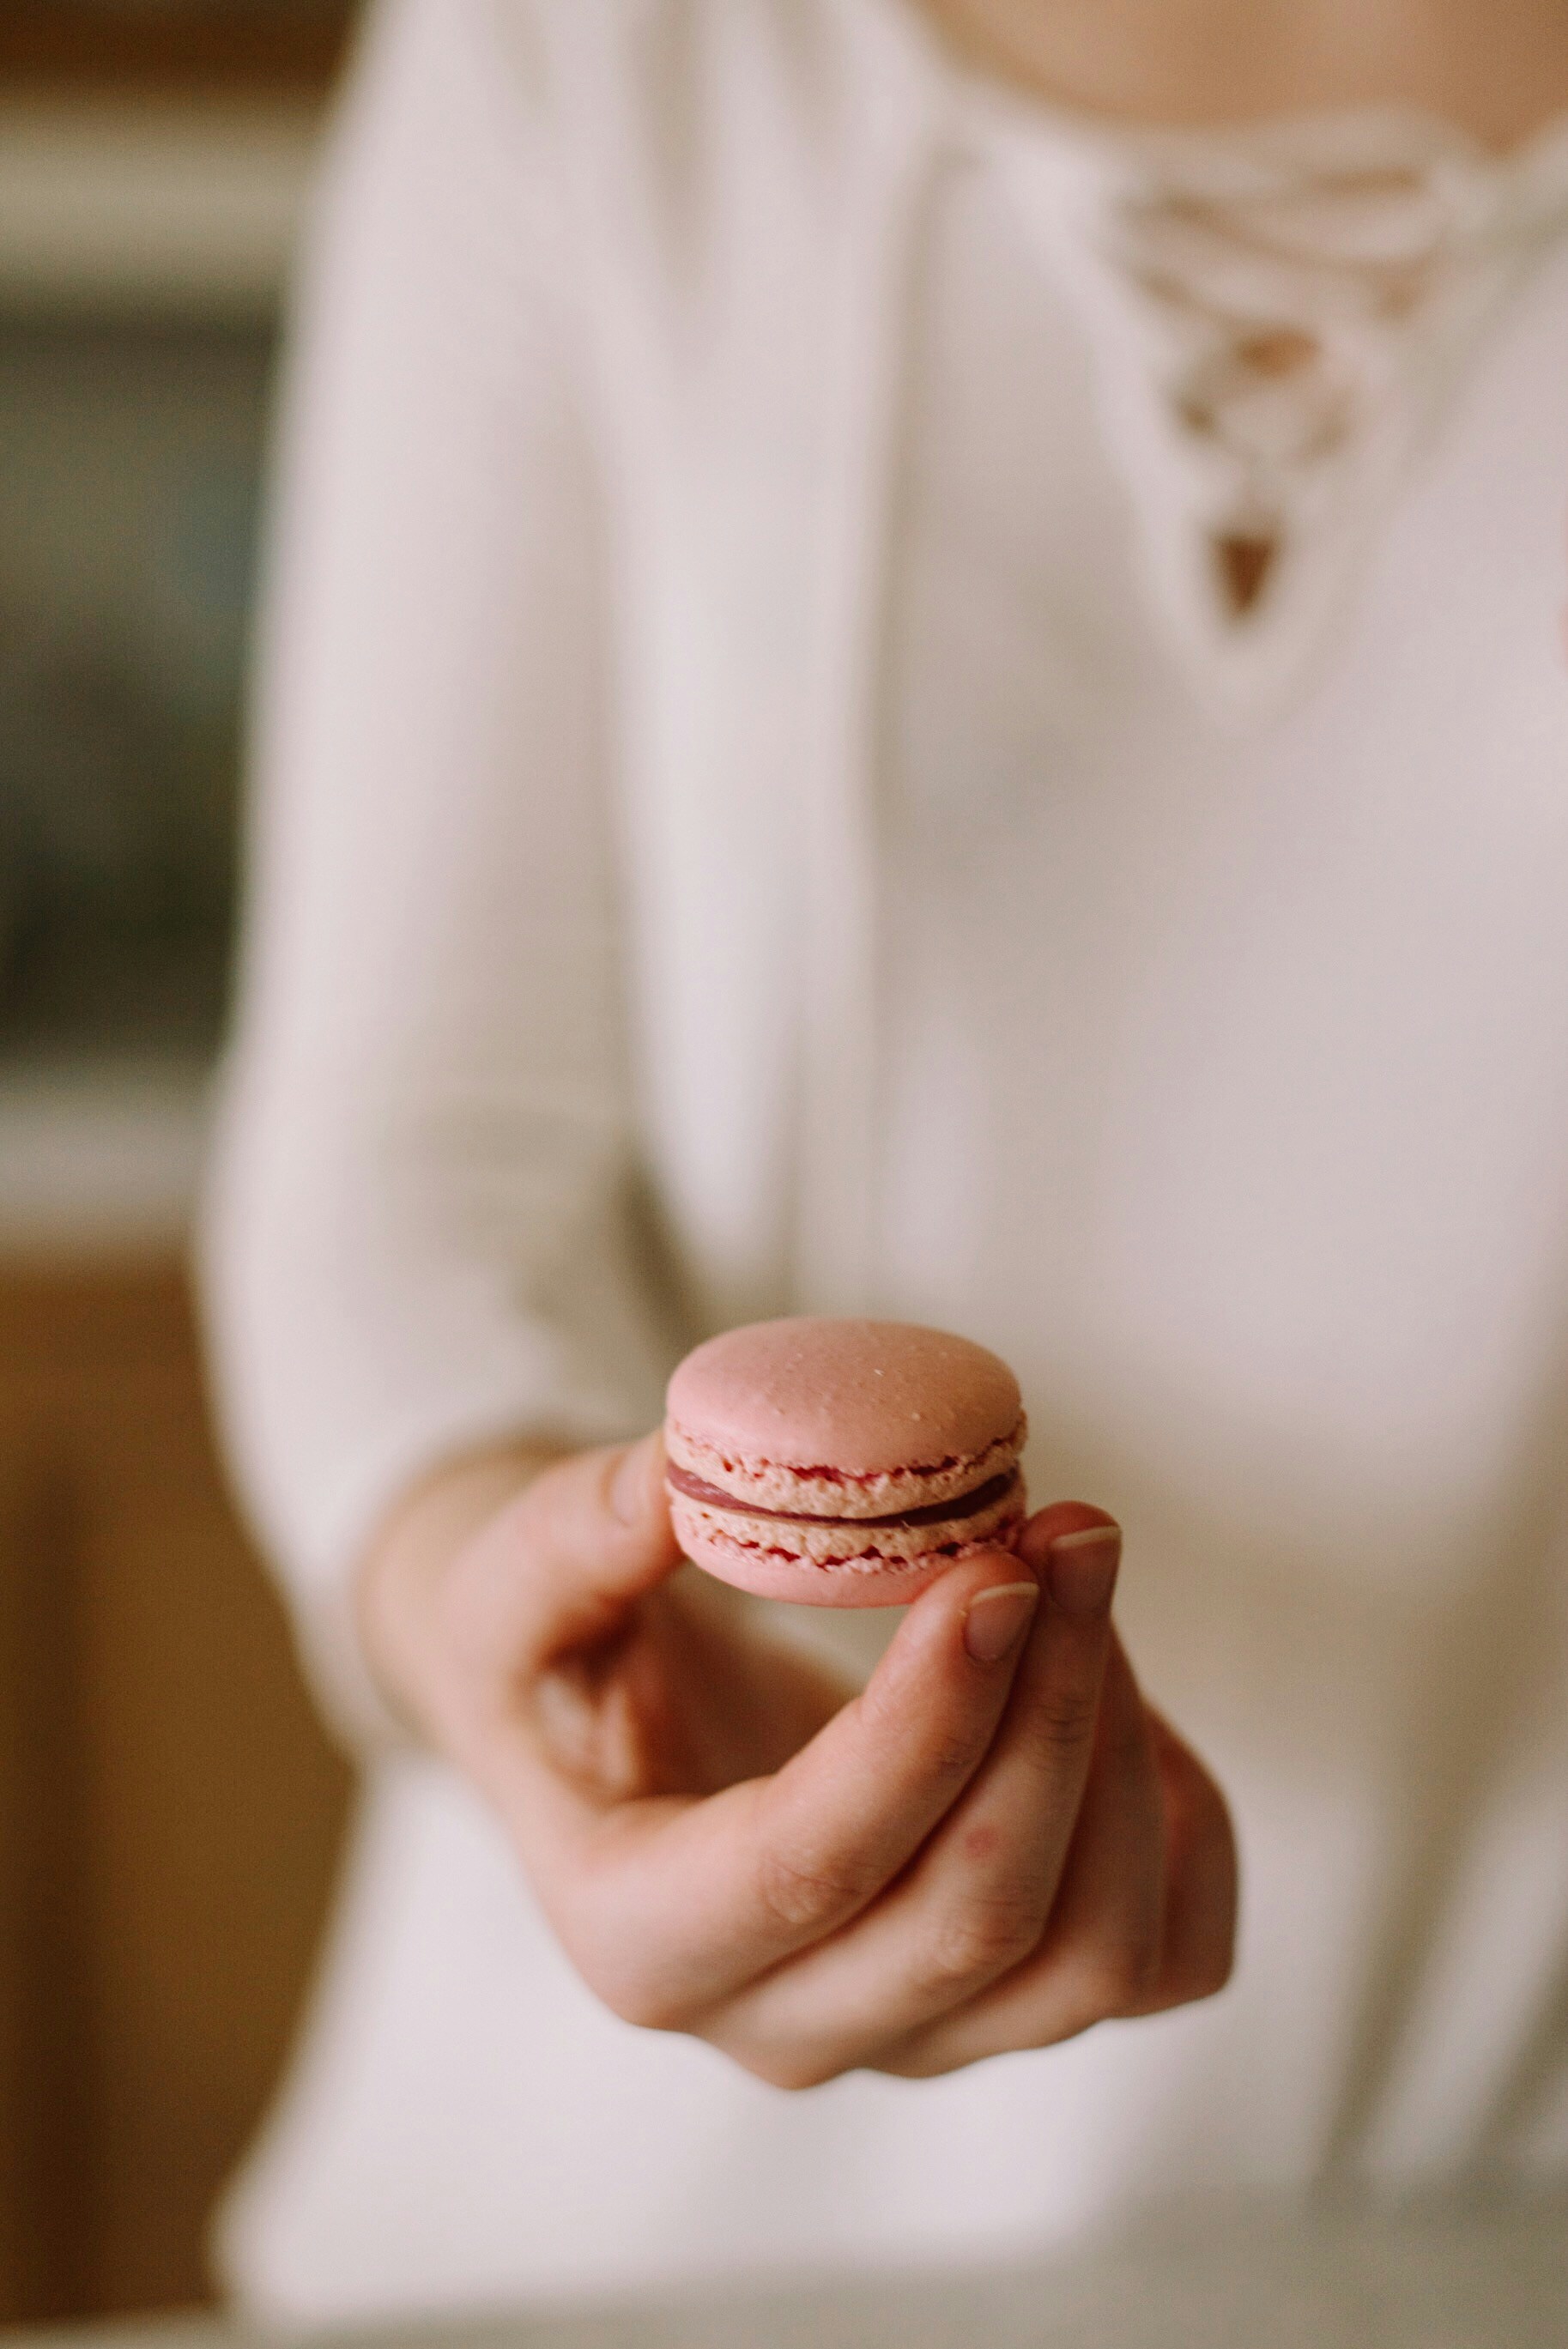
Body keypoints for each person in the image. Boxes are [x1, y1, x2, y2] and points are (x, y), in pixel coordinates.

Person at [201, 0, 1568, 2322]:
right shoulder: (593, 54)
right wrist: (501, 1607)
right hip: (596, 2244)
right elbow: (406, 1155)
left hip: (1471, 2218)